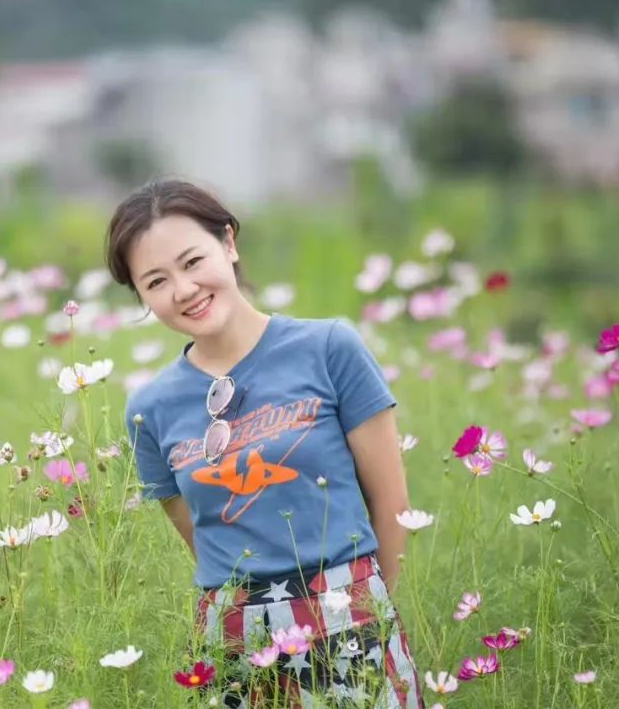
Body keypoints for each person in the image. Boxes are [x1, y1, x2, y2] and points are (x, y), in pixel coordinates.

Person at [106, 179, 425, 708]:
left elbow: (392, 505)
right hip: (235, 638)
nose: (183, 290)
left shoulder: (329, 348)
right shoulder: (149, 409)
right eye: (156, 281)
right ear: (141, 295)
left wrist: (366, 611)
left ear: (228, 243)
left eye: (192, 262)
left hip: (349, 617)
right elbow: (203, 539)